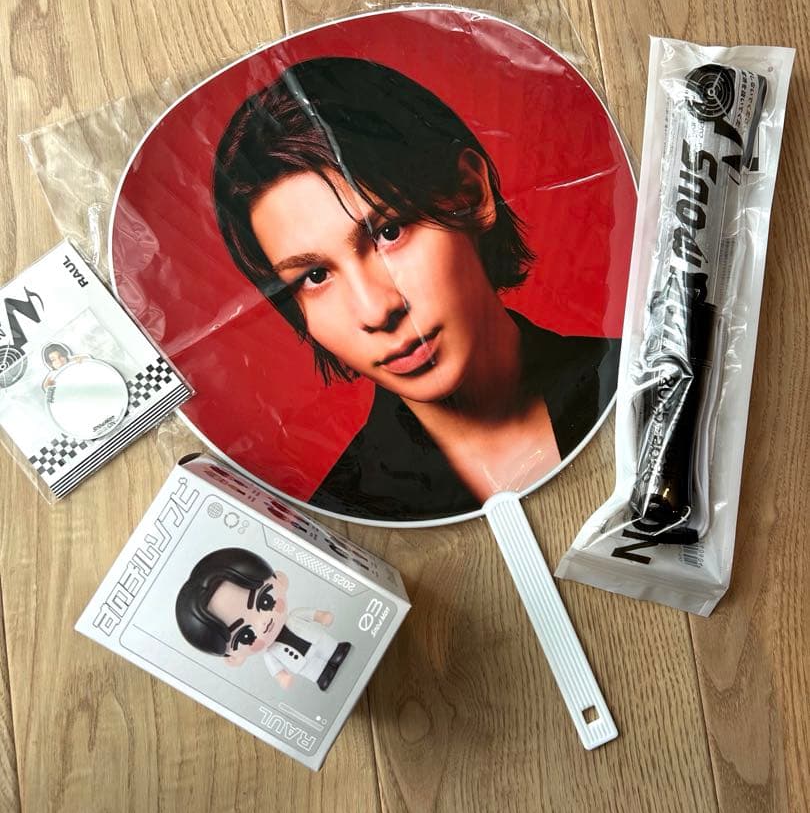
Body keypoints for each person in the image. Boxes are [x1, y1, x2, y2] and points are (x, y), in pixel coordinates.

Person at [213, 56, 619, 521]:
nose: (375, 310)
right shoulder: (348, 519)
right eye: (315, 277)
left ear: (471, 194)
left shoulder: (649, 377)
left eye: (388, 233)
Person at [175, 548, 351, 692]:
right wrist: (282, 676)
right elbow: (276, 669)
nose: (262, 623)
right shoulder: (270, 654)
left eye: (265, 601)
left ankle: (335, 651)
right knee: (313, 671)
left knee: (327, 646)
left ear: (280, 581)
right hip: (302, 665)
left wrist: (320, 616)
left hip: (320, 641)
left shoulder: (294, 617)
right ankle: (321, 675)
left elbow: (309, 614)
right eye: (245, 636)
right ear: (233, 658)